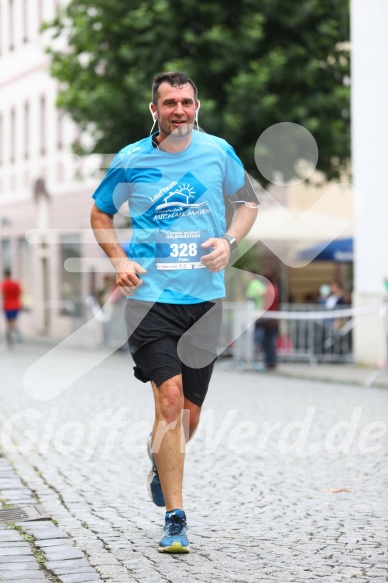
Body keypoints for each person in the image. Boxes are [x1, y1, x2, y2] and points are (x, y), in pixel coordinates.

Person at [90, 71, 259, 553]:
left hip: (204, 302)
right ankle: (176, 518)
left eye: (186, 102)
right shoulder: (131, 159)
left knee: (189, 414)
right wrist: (120, 260)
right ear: (155, 110)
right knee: (168, 400)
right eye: (170, 103)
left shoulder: (218, 152)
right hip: (150, 301)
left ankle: (157, 456)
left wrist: (228, 241)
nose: (179, 110)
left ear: (197, 106)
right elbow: (101, 213)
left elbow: (247, 203)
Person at [260, 272, 280, 369]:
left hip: (269, 319)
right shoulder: (274, 288)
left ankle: (270, 361)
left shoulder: (269, 289)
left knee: (268, 341)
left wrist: (260, 314)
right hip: (273, 317)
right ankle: (271, 361)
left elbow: (267, 304)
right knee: (270, 341)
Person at [245, 272, 267, 361]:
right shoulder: (253, 284)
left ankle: (256, 353)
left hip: (257, 313)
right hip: (255, 313)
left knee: (257, 335)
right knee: (255, 335)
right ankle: (254, 353)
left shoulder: (255, 284)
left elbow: (262, 293)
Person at [0, 269, 22, 346]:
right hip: (15, 305)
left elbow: (3, 295)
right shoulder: (15, 284)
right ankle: (13, 331)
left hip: (7, 306)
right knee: (13, 321)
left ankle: (10, 332)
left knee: (9, 322)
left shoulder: (4, 284)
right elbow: (19, 293)